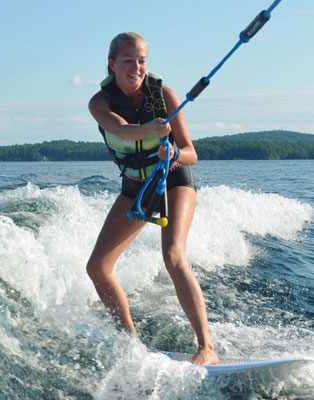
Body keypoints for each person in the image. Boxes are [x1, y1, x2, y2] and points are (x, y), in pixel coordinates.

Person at [86, 32, 218, 366]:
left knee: (173, 255)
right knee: (98, 267)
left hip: (172, 180)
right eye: (128, 60)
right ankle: (132, 347)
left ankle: (207, 348)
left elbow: (191, 154)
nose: (136, 67)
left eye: (142, 60)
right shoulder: (99, 103)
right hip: (135, 187)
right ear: (112, 64)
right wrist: (152, 130)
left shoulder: (165, 95)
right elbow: (121, 130)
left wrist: (173, 151)